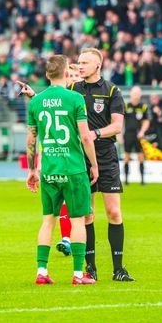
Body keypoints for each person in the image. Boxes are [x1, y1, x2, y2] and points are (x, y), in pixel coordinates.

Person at [19, 48, 135, 282]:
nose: (80, 66)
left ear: (97, 66)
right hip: (80, 156)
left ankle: (118, 269)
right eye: (78, 62)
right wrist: (35, 96)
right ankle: (89, 268)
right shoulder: (73, 90)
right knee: (86, 215)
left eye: (85, 63)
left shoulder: (111, 90)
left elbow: (117, 126)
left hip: (105, 154)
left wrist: (95, 133)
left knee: (114, 212)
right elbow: (55, 104)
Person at [26, 55, 98, 285]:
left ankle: (41, 271)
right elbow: (85, 136)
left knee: (48, 221)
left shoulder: (35, 102)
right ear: (67, 73)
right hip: (73, 169)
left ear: (47, 75)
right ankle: (78, 274)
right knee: (78, 220)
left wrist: (32, 170)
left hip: (49, 170)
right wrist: (94, 164)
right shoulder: (75, 98)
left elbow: (31, 140)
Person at [55, 63, 83, 256]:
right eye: (69, 75)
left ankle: (81, 241)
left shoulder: (82, 101)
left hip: (83, 157)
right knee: (65, 200)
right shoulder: (62, 102)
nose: (72, 79)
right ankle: (67, 239)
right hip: (64, 157)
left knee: (84, 205)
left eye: (75, 76)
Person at [123, 86, 150, 185]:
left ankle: (142, 180)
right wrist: (120, 134)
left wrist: (142, 131)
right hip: (128, 134)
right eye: (134, 93)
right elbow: (121, 121)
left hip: (138, 135)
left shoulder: (143, 107)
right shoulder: (126, 106)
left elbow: (146, 121)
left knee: (141, 156)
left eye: (138, 93)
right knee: (126, 156)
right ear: (131, 94)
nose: (136, 95)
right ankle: (126, 180)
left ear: (140, 95)